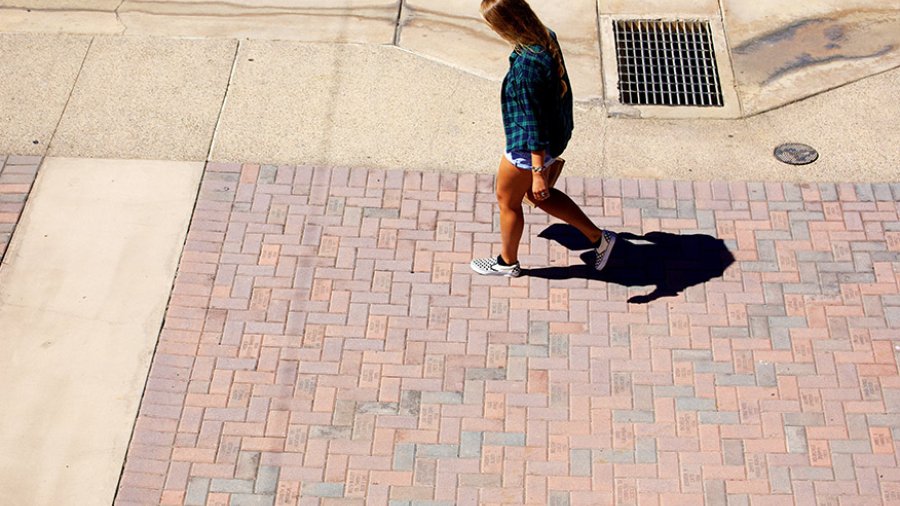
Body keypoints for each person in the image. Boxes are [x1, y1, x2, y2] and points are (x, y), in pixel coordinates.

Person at [470, 0, 616, 278]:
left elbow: (532, 124)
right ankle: (599, 238)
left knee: (508, 200)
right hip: (555, 135)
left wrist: (537, 171)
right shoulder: (545, 36)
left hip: (529, 149)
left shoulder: (527, 67)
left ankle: (506, 263)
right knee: (537, 196)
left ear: (506, 24)